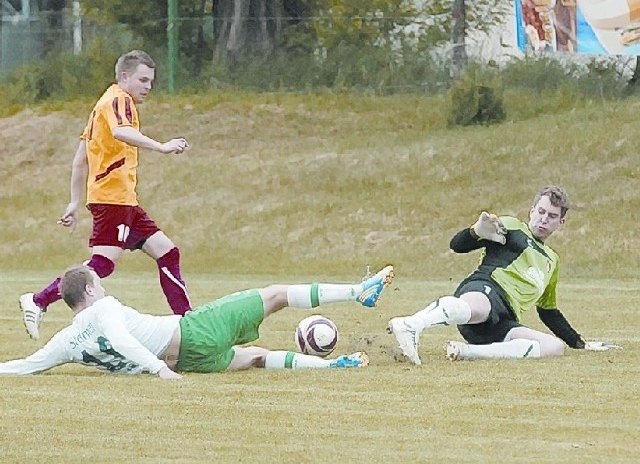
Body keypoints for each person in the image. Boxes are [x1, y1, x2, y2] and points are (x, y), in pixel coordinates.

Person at [19, 50, 191, 340]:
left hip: (123, 200)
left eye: (151, 81)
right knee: (102, 265)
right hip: (113, 199)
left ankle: (187, 322)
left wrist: (74, 201)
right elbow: (122, 131)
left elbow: (79, 159)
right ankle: (38, 300)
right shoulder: (118, 101)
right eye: (143, 80)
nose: (148, 87)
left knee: (168, 252)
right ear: (125, 77)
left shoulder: (103, 105)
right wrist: (162, 146)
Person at [1, 264, 395, 377]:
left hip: (192, 362)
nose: (103, 289)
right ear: (88, 292)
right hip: (192, 332)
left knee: (256, 357)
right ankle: (357, 292)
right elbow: (120, 339)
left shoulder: (68, 341)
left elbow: (26, 366)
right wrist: (158, 369)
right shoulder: (103, 309)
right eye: (99, 285)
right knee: (275, 295)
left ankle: (330, 366)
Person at [387, 185, 620, 364]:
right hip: (486, 288)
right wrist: (475, 232)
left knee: (553, 348)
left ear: (561, 222)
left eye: (551, 216)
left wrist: (580, 344)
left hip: (504, 319)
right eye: (540, 211)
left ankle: (467, 352)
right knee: (479, 308)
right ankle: (411, 325)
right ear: (531, 211)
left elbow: (548, 311)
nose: (543, 219)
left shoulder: (552, 260)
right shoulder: (512, 227)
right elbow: (457, 246)